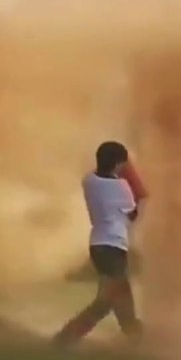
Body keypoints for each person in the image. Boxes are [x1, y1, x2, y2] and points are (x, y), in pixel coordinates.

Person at [53, 141, 145, 347]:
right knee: (106, 301)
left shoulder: (89, 181)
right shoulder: (121, 187)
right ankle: (65, 339)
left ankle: (136, 339)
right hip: (114, 246)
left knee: (123, 300)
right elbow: (133, 214)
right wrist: (137, 189)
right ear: (118, 164)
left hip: (98, 243)